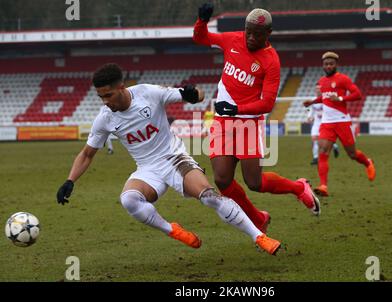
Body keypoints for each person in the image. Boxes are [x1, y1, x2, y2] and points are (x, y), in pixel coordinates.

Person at [56, 63, 281, 255]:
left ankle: (259, 236)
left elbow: (194, 94)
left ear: (121, 88)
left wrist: (195, 94)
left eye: (108, 95)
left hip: (174, 158)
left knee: (209, 197)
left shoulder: (148, 93)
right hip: (147, 169)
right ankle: (172, 230)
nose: (105, 101)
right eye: (100, 97)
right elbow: (87, 154)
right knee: (129, 200)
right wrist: (70, 181)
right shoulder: (104, 118)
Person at [193, 3, 320, 233]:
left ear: (268, 34)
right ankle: (258, 218)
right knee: (222, 180)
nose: (251, 38)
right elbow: (201, 39)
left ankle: (299, 187)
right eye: (248, 32)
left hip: (248, 123)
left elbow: (267, 103)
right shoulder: (232, 40)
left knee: (255, 183)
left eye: (257, 34)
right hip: (223, 121)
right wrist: (202, 21)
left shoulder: (271, 60)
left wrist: (237, 109)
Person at [303, 52, 376, 197]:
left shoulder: (343, 79)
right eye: (326, 64)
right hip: (327, 123)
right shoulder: (322, 81)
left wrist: (341, 98)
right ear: (323, 66)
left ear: (336, 65)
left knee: (352, 154)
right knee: (322, 152)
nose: (328, 66)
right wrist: (312, 102)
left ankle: (367, 162)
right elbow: (324, 98)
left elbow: (357, 94)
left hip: (342, 121)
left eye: (331, 64)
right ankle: (323, 185)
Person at [307, 84, 339, 165]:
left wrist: (324, 113)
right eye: (316, 89)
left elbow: (331, 110)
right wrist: (309, 117)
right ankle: (315, 158)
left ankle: (334, 146)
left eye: (319, 89)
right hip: (316, 123)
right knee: (314, 139)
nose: (317, 90)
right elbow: (311, 110)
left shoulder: (326, 100)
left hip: (325, 123)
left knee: (323, 142)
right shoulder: (313, 100)